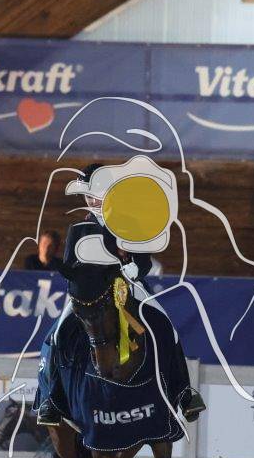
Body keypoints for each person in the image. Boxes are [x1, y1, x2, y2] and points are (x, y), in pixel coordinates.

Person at [33, 165, 204, 427]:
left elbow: (144, 260)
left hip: (127, 286)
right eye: (88, 195)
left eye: (97, 193)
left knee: (166, 326)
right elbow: (70, 267)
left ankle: (183, 393)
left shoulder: (129, 223)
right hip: (90, 294)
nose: (92, 200)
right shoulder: (78, 228)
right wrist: (56, 264)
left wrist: (134, 268)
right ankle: (51, 398)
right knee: (56, 335)